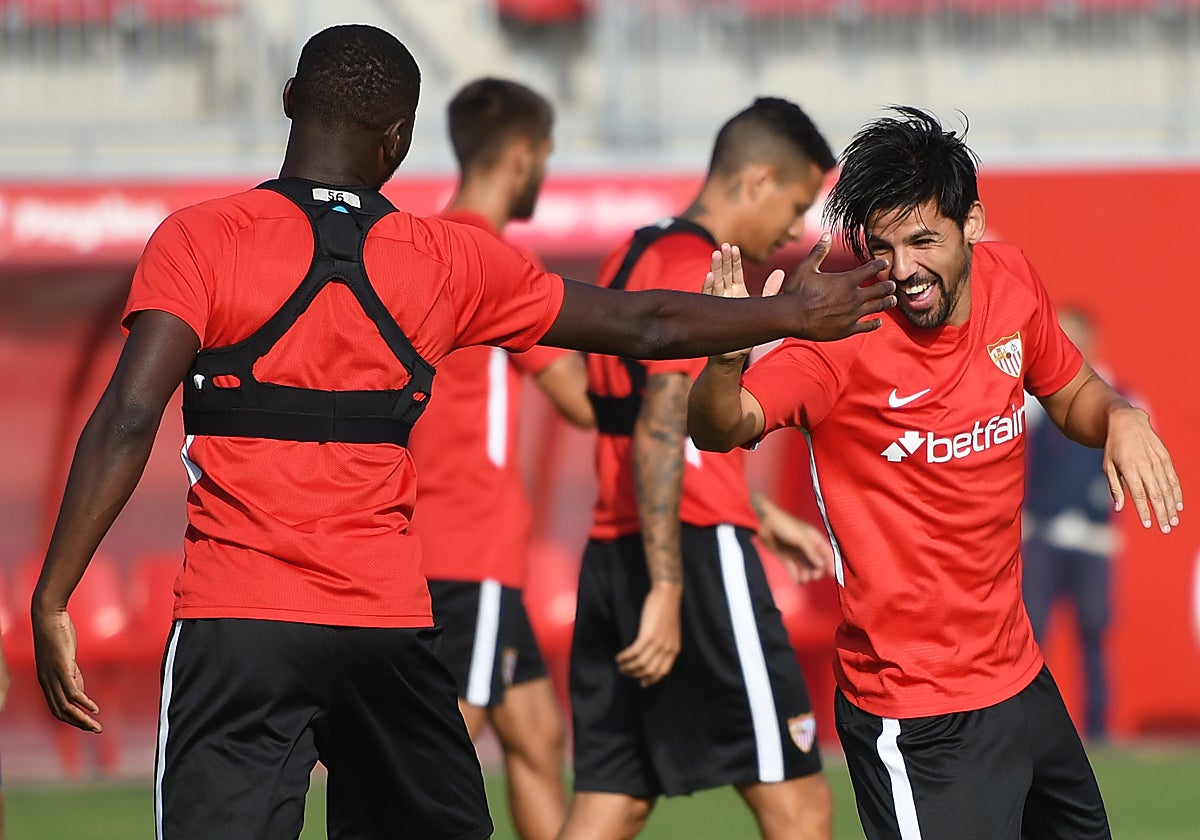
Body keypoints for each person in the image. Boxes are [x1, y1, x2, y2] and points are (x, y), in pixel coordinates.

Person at [29, 24, 896, 840]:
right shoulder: (448, 259)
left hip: (238, 623)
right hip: (390, 631)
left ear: (291, 97)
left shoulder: (198, 238)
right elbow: (646, 326)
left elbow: (129, 415)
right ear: (399, 138)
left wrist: (53, 594)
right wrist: (787, 311)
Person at [688, 107, 1183, 840]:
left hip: (1021, 681)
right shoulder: (840, 337)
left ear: (972, 224)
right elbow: (721, 425)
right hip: (914, 714)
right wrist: (728, 355)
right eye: (884, 248)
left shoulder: (1011, 281)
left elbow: (1071, 389)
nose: (905, 270)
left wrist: (1120, 416)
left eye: (924, 241)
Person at [560, 98, 841, 840]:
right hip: (686, 555)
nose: (794, 230)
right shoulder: (701, 268)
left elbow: (625, 419)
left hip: (616, 547)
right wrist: (670, 584)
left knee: (611, 803)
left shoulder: (633, 254)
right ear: (757, 179)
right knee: (799, 805)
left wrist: (762, 514)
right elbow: (660, 420)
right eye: (796, 204)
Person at [407, 77, 591, 840]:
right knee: (440, 752)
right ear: (521, 157)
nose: (543, 172)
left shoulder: (420, 246)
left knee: (539, 738)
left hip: (448, 542)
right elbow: (583, 399)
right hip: (467, 546)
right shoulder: (496, 261)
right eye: (545, 155)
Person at [1022, 308, 1118, 742]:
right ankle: (1031, 725)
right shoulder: (1029, 401)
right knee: (1031, 632)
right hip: (1042, 534)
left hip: (1091, 538)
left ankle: (1098, 726)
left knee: (1094, 630)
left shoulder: (1119, 396)